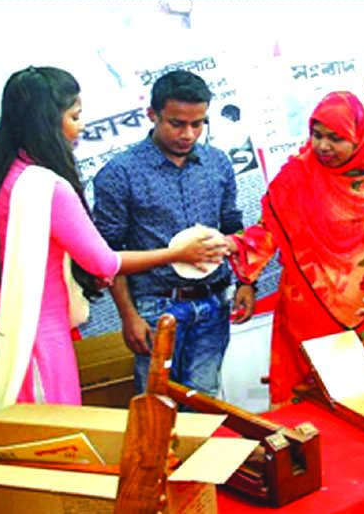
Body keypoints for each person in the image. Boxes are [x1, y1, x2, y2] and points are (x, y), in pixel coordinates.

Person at [0, 66, 224, 417]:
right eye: (75, 115)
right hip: (34, 340)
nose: (81, 126)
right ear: (47, 122)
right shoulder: (49, 188)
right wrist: (177, 254)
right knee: (48, 441)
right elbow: (104, 263)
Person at [224, 91, 364, 407]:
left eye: (336, 138)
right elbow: (268, 230)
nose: (323, 146)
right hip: (309, 313)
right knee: (307, 415)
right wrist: (233, 251)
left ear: (361, 138)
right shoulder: (295, 176)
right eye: (317, 135)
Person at [93, 70, 249, 397]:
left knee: (206, 402)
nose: (188, 134)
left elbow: (234, 225)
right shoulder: (119, 174)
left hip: (214, 301)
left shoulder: (217, 163)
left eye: (199, 123)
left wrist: (247, 281)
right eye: (177, 123)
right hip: (155, 307)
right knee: (156, 405)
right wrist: (128, 316)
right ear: (152, 115)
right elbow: (108, 256)